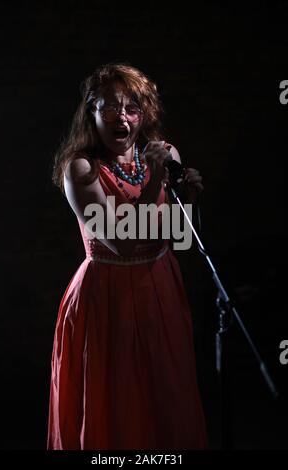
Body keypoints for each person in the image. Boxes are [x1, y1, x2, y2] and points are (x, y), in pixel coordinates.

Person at [47, 62, 207, 450]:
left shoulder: (163, 153)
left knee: (164, 395)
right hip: (107, 295)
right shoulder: (80, 168)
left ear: (144, 113)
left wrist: (190, 199)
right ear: (92, 113)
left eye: (132, 106)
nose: (123, 116)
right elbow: (122, 241)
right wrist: (153, 184)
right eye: (110, 107)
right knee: (116, 400)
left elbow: (176, 233)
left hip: (160, 287)